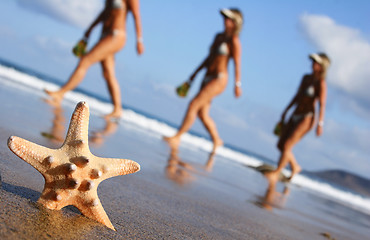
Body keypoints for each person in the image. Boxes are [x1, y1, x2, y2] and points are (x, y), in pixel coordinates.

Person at [45, 0, 144, 119]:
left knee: (85, 61)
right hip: (104, 35)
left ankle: (61, 93)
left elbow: (136, 15)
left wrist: (139, 40)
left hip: (116, 35)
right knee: (108, 73)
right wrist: (90, 29)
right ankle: (118, 109)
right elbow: (105, 13)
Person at [164, 8, 243, 153]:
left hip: (219, 78)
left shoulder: (234, 41)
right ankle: (217, 140)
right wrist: (193, 75)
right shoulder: (218, 37)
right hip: (206, 77)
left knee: (193, 104)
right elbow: (208, 58)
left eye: (229, 19)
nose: (225, 21)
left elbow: (237, 63)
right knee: (202, 113)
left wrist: (237, 84)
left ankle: (178, 136)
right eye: (225, 18)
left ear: (235, 23)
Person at [265, 53, 330, 183]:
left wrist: (320, 124)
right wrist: (286, 110)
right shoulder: (306, 78)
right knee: (281, 144)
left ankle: (277, 172)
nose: (313, 64)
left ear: (322, 66)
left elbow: (322, 105)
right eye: (312, 61)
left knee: (288, 144)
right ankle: (295, 166)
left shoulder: (321, 83)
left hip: (307, 118)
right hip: (295, 113)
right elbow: (297, 96)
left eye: (316, 62)